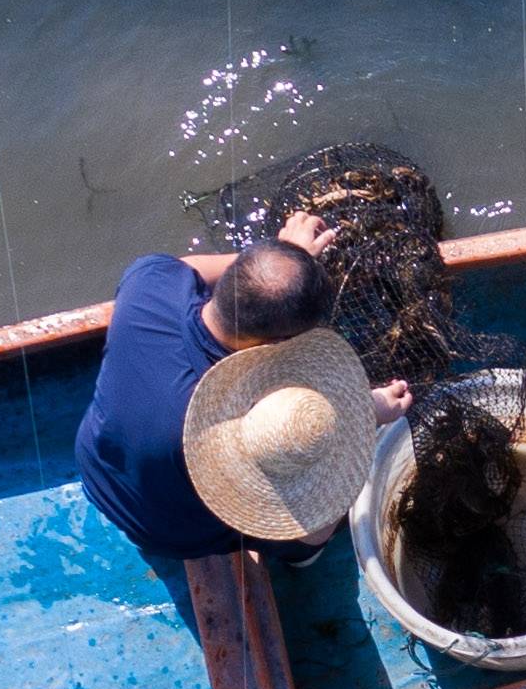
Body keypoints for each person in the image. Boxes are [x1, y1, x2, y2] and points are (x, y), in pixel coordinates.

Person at [76, 238, 408, 566]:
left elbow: (188, 267)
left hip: (97, 471)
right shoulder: (239, 416)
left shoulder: (148, 284)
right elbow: (297, 450)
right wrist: (366, 413)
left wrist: (280, 257)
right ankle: (300, 558)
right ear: (278, 342)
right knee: (315, 509)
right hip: (174, 538)